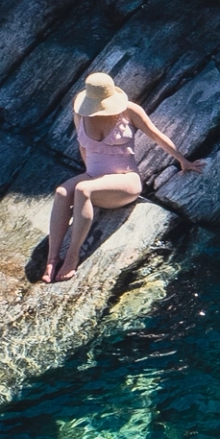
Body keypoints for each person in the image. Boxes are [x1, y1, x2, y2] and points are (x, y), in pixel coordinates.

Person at [44, 70, 189, 283]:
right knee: (62, 191)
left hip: (125, 181)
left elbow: (156, 135)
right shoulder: (81, 114)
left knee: (84, 189)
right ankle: (51, 258)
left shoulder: (129, 111)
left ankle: (72, 256)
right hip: (95, 177)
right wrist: (90, 172)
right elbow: (83, 147)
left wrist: (183, 160)